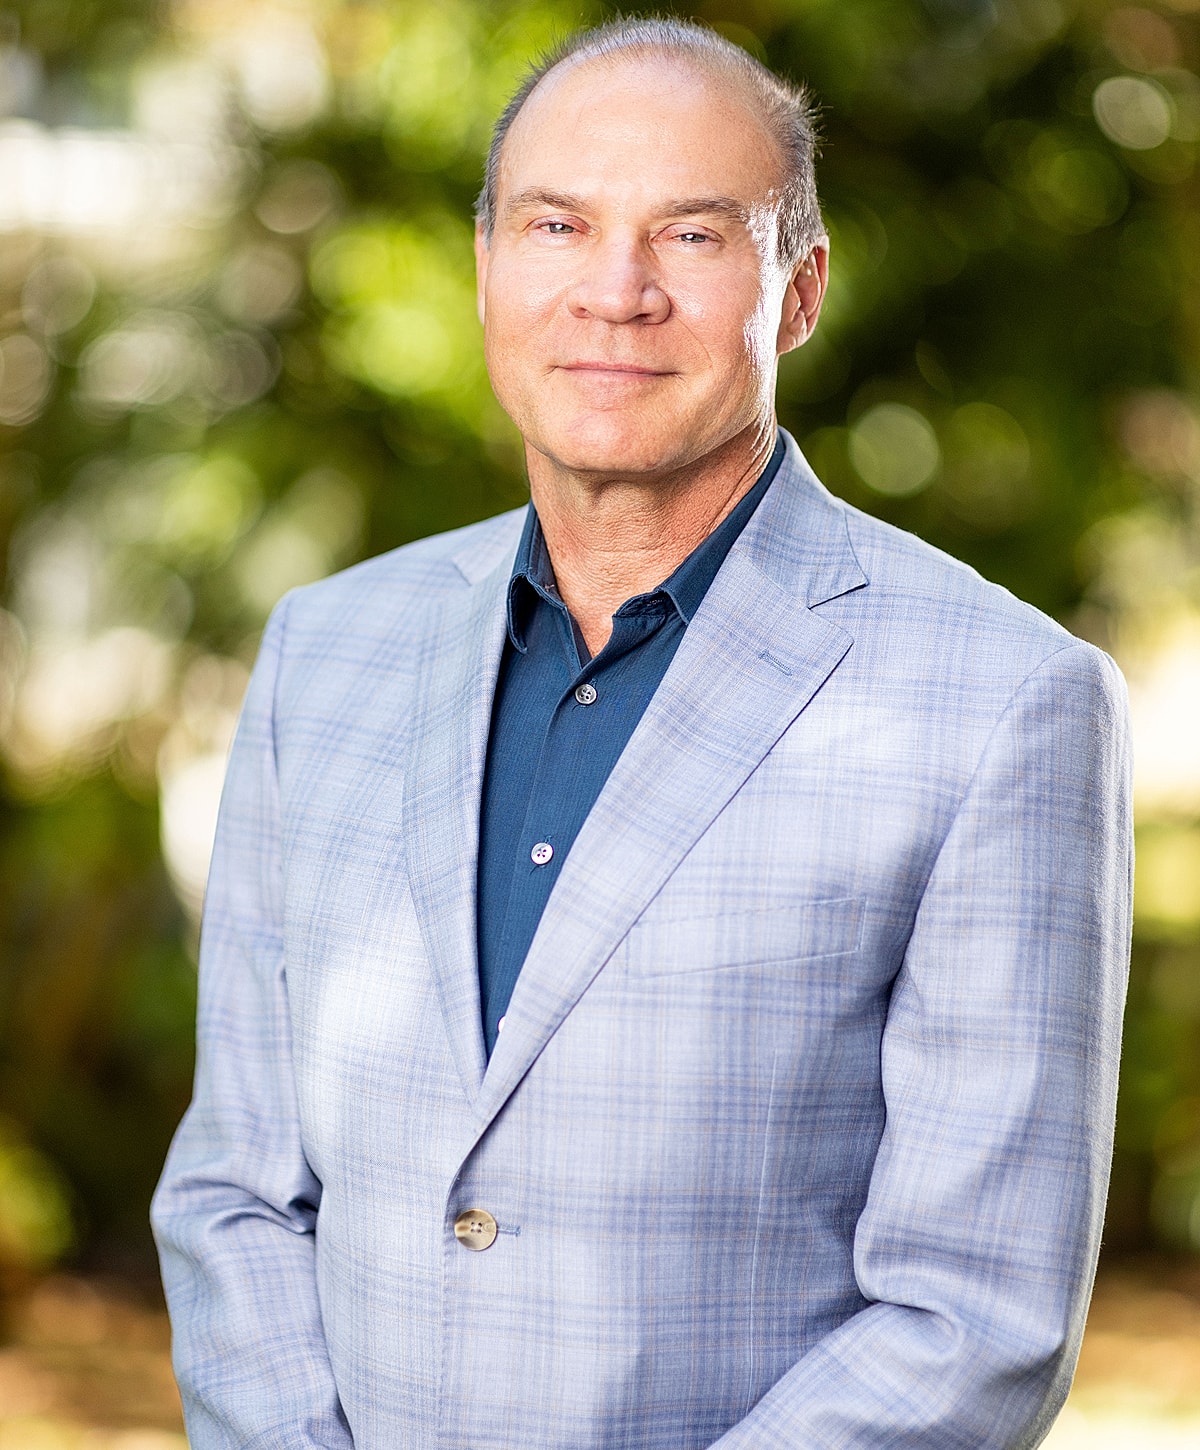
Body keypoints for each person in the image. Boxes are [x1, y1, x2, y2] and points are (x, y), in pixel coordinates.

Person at [151, 17, 1132, 1449]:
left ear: (795, 292)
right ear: (487, 269)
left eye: (691, 236)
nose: (616, 293)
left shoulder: (1004, 702)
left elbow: (972, 1318)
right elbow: (237, 1189)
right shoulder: (325, 651)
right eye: (557, 224)